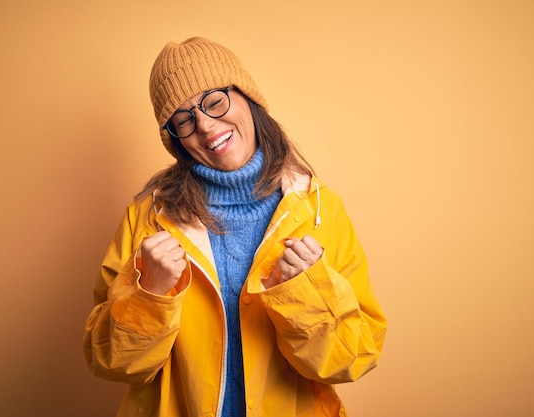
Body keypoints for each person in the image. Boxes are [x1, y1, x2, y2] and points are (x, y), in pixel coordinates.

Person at [83, 36, 387, 417]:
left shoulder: (320, 210)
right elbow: (112, 363)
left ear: (247, 97)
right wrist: (149, 294)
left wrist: (306, 293)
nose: (206, 127)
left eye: (214, 101)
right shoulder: (147, 217)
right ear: (174, 138)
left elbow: (352, 358)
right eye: (184, 120)